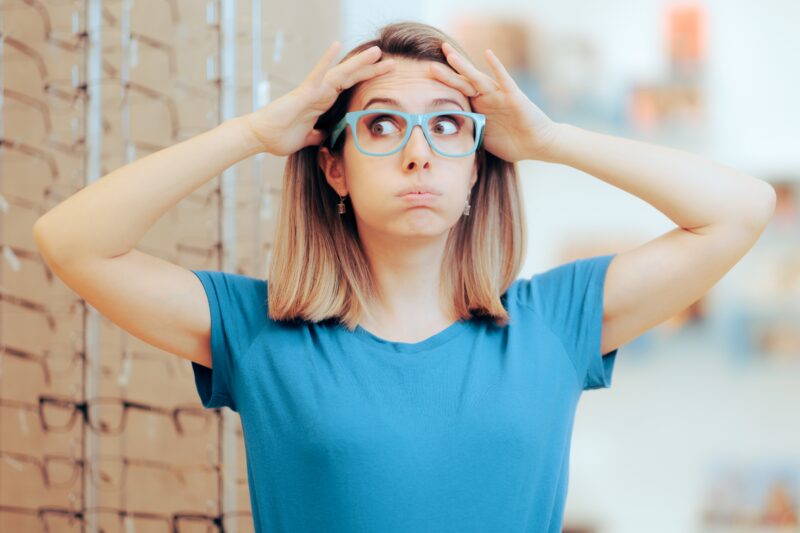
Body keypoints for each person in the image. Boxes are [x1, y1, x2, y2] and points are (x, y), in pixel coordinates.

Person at [32, 19, 775, 533]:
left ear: (479, 171)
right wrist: (254, 133)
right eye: (382, 125)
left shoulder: (556, 321)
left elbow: (742, 210)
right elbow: (71, 242)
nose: (419, 153)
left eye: (448, 125)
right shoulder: (257, 332)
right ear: (334, 166)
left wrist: (549, 138)